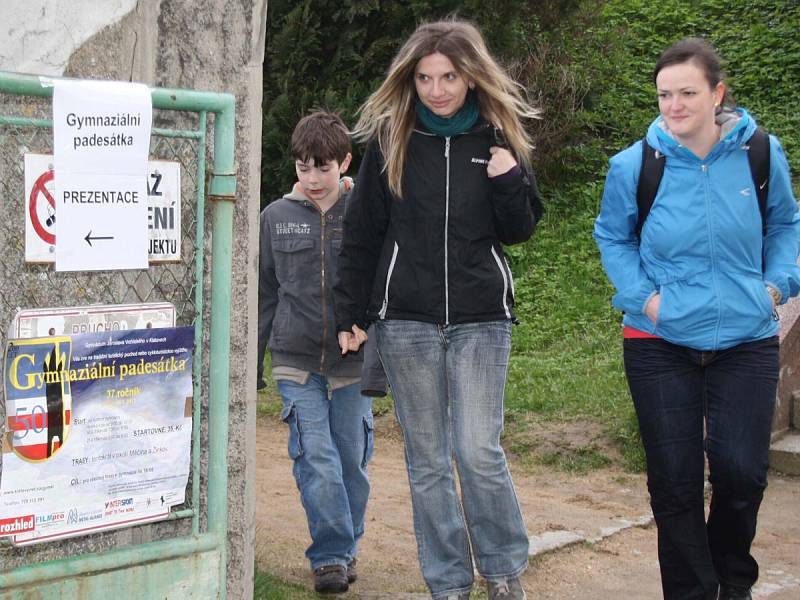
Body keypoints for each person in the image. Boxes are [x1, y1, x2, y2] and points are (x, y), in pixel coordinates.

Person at [333, 19, 543, 600]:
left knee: (477, 450)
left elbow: (521, 227)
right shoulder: (391, 140)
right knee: (427, 460)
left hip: (481, 316)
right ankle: (447, 582)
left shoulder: (498, 137)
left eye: (449, 76)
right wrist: (351, 311)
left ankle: (502, 571)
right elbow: (362, 233)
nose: (437, 89)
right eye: (425, 77)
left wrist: (507, 179)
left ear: (471, 76)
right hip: (406, 320)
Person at [594, 38, 800, 600]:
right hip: (658, 337)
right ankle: (691, 592)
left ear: (717, 93)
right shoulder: (635, 165)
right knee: (675, 482)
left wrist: (777, 286)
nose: (674, 105)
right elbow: (613, 236)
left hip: (746, 335)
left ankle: (732, 582)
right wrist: (646, 300)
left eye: (687, 92)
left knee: (742, 472)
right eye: (664, 94)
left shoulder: (760, 153)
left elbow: (786, 224)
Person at [258, 111, 374, 594]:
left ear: (345, 162)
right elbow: (264, 292)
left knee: (351, 463)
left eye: (322, 168)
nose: (311, 179)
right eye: (303, 167)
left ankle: (346, 549)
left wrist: (367, 329)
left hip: (353, 362)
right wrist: (251, 363)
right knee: (317, 460)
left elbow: (383, 283)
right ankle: (328, 557)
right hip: (295, 358)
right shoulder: (275, 217)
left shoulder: (367, 212)